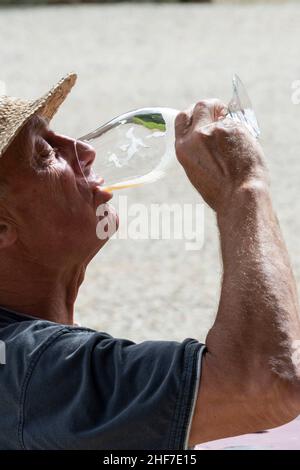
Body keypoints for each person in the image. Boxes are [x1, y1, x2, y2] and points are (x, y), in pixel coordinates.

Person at [0, 73, 299, 450]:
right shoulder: (30, 371)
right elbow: (269, 382)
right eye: (45, 154)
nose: (82, 149)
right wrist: (243, 187)